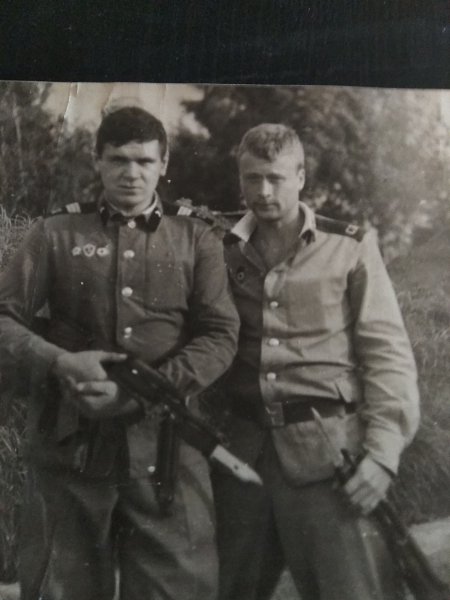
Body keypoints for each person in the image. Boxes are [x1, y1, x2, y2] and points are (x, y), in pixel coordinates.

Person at [0, 105, 240, 600]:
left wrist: (142, 390)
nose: (132, 173)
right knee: (60, 588)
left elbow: (220, 335)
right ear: (97, 160)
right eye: (118, 160)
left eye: (145, 161)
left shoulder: (196, 237)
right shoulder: (55, 234)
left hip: (166, 452)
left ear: (164, 164)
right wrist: (57, 361)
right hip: (69, 447)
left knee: (176, 589)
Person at [212, 123, 420, 600]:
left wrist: (383, 455)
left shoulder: (349, 246)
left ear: (301, 177)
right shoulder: (219, 248)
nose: (263, 192)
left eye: (276, 178)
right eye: (252, 178)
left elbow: (387, 353)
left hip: (331, 460)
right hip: (244, 459)